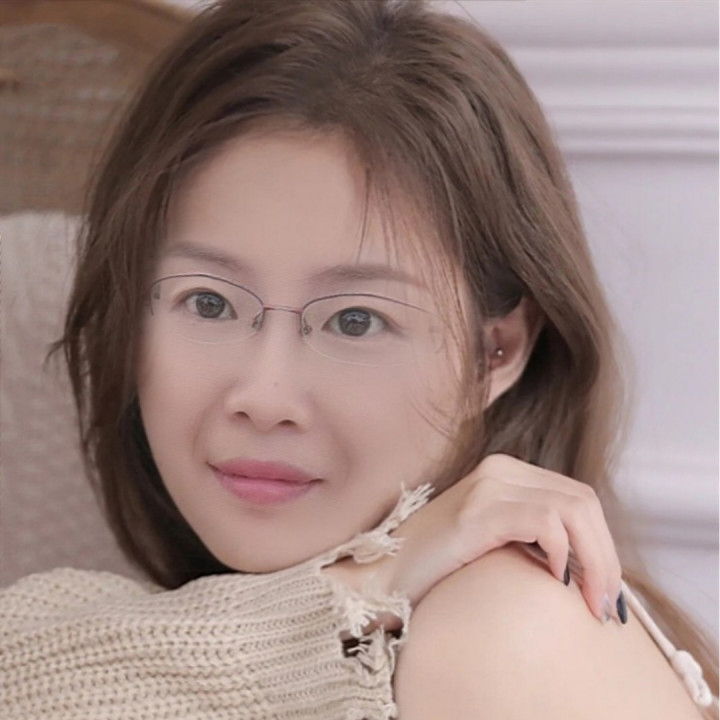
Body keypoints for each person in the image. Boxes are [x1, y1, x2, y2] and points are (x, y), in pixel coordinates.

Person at [0, 0, 715, 718]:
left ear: (496, 350)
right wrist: (353, 588)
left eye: (355, 320)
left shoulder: (507, 630)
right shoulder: (110, 632)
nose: (264, 396)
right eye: (209, 303)